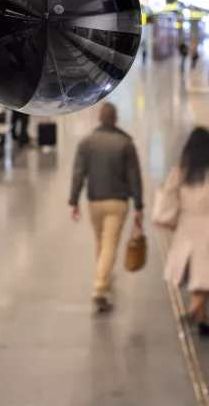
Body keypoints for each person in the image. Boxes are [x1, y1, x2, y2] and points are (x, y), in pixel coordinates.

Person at [154, 127, 209, 338]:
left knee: (198, 276)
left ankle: (203, 319)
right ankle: (193, 312)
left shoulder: (182, 170)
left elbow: (168, 192)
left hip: (188, 228)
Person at [69, 102, 144, 314]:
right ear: (116, 118)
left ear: (99, 118)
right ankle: (100, 289)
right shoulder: (125, 143)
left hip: (95, 201)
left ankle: (104, 276)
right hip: (117, 202)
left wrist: (73, 201)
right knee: (109, 244)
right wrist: (138, 205)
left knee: (101, 242)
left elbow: (78, 174)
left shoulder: (87, 143)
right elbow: (134, 178)